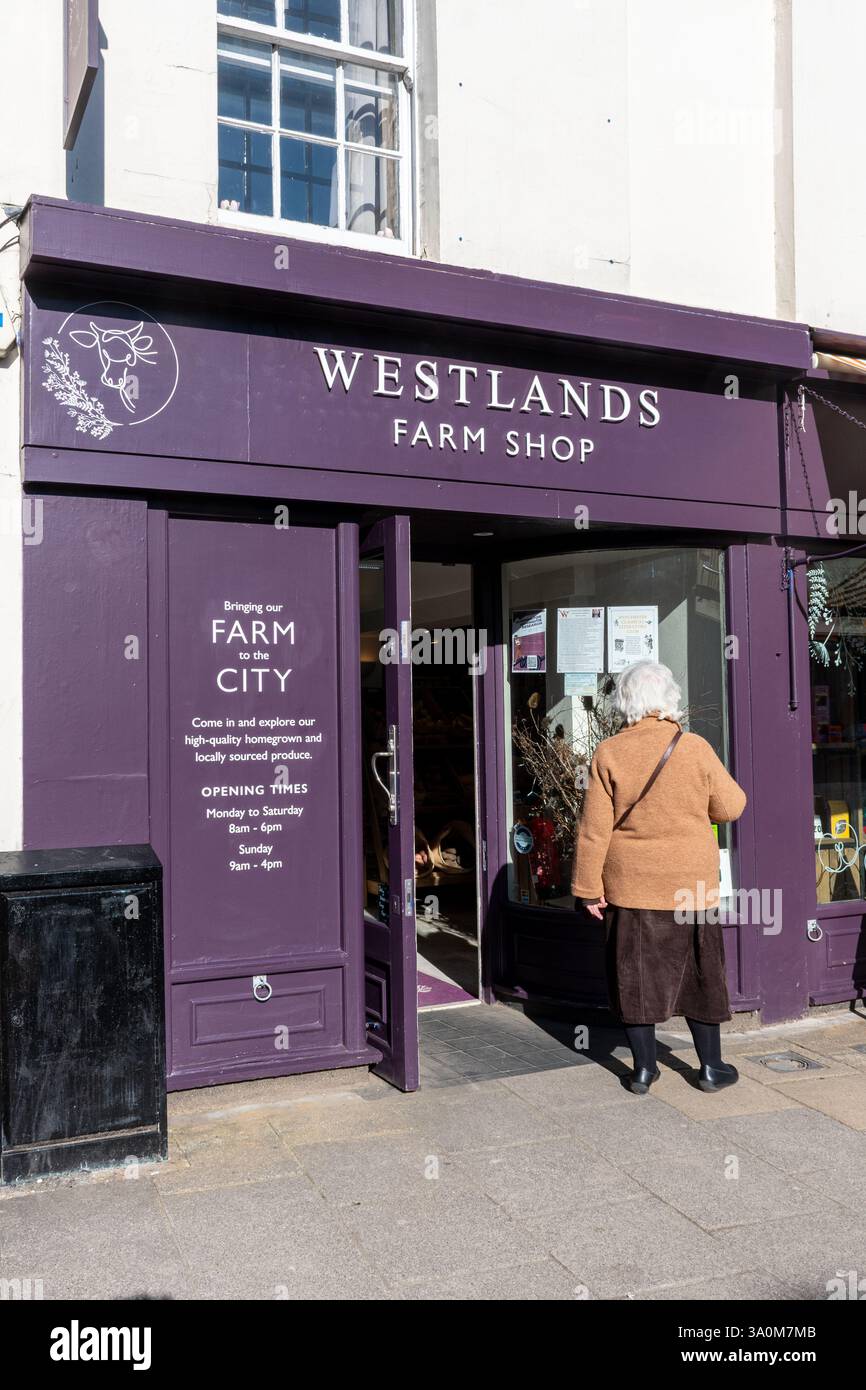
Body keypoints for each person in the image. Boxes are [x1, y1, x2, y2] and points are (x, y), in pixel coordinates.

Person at [571, 660, 747, 1095]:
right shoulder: (695, 747)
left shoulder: (609, 752)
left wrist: (588, 889)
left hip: (631, 887)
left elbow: (594, 830)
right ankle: (711, 1069)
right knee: (701, 974)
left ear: (625, 703)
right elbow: (730, 807)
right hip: (691, 886)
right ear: (669, 698)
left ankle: (644, 1070)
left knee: (635, 977)